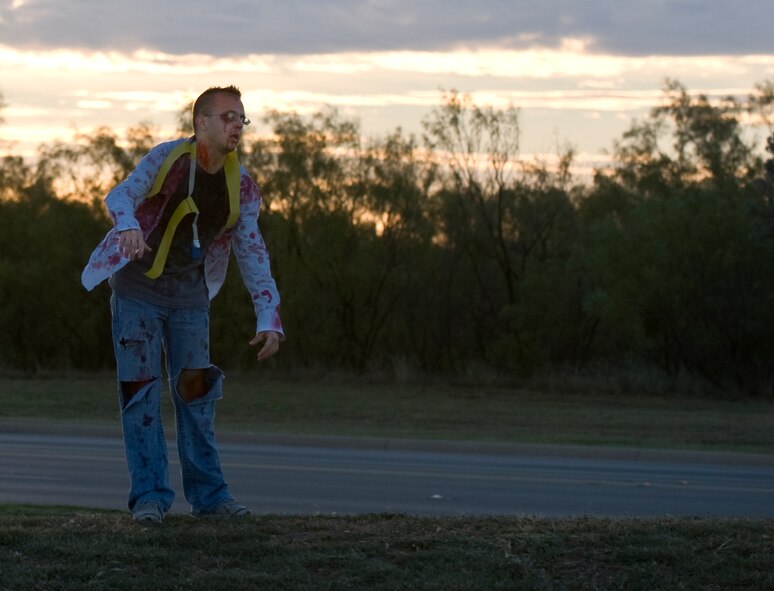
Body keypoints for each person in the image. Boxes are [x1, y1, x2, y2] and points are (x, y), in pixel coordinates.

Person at [81, 85, 283, 524]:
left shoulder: (242, 186)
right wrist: (128, 226)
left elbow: (252, 250)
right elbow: (120, 195)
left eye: (241, 119)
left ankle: (210, 498)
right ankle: (150, 499)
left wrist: (269, 315)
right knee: (141, 396)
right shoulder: (168, 160)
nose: (237, 126)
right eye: (228, 116)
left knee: (197, 395)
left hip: (191, 301)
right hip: (137, 293)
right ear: (202, 122)